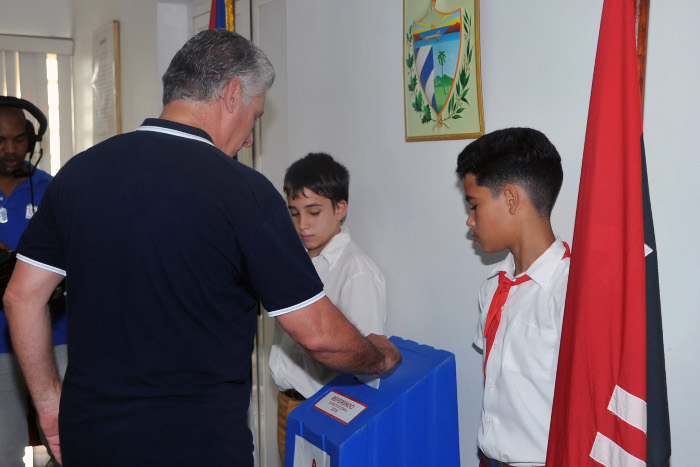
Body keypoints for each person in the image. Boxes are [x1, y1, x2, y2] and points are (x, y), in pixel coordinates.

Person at [3, 29, 400, 467]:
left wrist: (49, 404)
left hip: (92, 439)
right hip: (197, 445)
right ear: (232, 95)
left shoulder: (79, 174)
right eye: (255, 116)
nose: (249, 139)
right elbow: (319, 335)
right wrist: (378, 357)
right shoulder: (245, 193)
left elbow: (21, 297)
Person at [455, 127, 570, 467]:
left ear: (510, 198)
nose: (470, 220)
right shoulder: (494, 286)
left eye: (474, 205)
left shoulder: (569, 292)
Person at [269, 152, 387, 462]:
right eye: (294, 213)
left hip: (323, 410)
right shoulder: (297, 261)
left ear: (340, 209)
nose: (302, 224)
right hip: (288, 404)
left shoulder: (356, 270)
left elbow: (364, 364)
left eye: (313, 212)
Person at [0, 99, 67, 467]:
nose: (10, 149)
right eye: (0, 140)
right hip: (0, 344)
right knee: (3, 446)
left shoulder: (51, 188)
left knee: (67, 439)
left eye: (18, 138)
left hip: (56, 336)